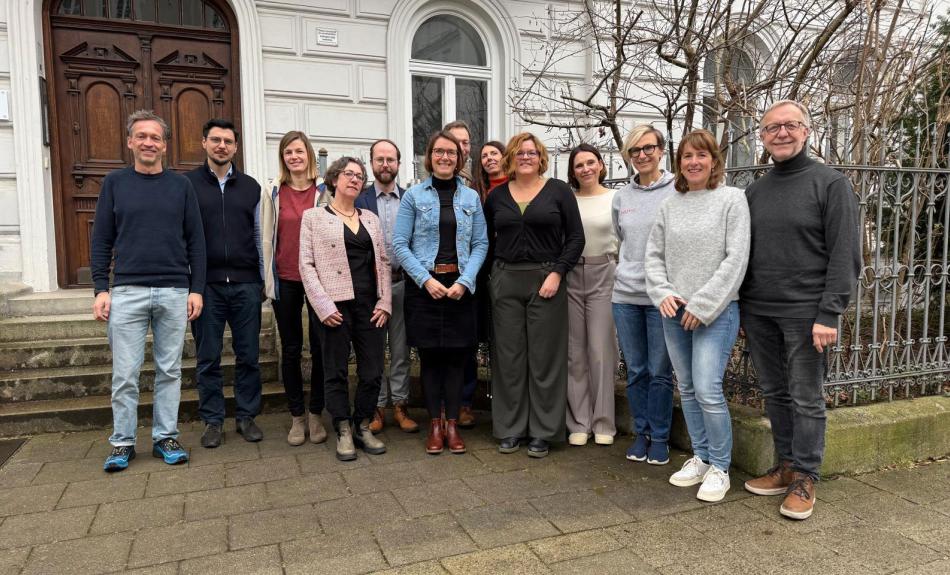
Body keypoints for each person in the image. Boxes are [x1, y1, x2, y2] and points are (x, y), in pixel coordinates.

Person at [740, 100, 861, 520]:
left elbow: (846, 254)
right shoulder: (755, 190)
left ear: (806, 132)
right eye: (772, 128)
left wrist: (830, 313)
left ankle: (806, 477)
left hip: (807, 314)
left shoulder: (830, 184)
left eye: (790, 125)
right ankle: (786, 463)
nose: (782, 133)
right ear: (762, 137)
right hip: (759, 310)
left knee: (806, 397)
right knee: (774, 392)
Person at [92, 110, 206, 472]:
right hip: (127, 290)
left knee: (170, 371)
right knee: (125, 374)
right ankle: (123, 442)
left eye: (155, 137)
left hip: (174, 290)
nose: (148, 143)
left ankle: (165, 437)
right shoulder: (114, 183)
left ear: (164, 145)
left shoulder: (181, 186)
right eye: (141, 136)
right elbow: (101, 239)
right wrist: (100, 288)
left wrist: (196, 289)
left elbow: (196, 241)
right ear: (129, 142)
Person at [645, 129, 750, 502]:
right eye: (687, 156)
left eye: (701, 156)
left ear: (714, 160)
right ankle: (702, 457)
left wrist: (703, 306)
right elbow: (653, 256)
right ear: (679, 162)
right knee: (686, 388)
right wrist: (662, 293)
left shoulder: (732, 200)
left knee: (707, 388)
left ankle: (721, 467)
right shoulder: (670, 204)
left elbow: (735, 260)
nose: (693, 162)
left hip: (716, 313)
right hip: (673, 311)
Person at [485, 132, 585, 458]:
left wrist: (557, 272)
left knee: (545, 359)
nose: (525, 157)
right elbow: (486, 241)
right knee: (509, 360)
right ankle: (510, 429)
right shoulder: (497, 196)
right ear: (511, 158)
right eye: (520, 153)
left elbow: (575, 238)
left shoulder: (558, 191)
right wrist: (491, 281)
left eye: (531, 152)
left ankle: (543, 431)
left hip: (547, 280)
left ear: (540, 157)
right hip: (506, 279)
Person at [393, 130, 488, 455]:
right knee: (432, 359)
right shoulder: (413, 197)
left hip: (461, 289)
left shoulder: (471, 198)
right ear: (429, 157)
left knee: (457, 359)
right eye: (439, 152)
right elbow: (399, 244)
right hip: (426, 290)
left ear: (459, 158)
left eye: (451, 152)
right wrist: (425, 279)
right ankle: (435, 424)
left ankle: (452, 425)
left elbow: (480, 244)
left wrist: (465, 281)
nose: (445, 157)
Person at [299, 157, 392, 461]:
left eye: (359, 175)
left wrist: (385, 301)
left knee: (373, 369)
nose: (354, 179)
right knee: (335, 370)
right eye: (348, 174)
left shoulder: (371, 219)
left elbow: (384, 263)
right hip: (334, 306)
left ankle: (362, 423)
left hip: (370, 305)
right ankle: (342, 428)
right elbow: (307, 265)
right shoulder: (313, 217)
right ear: (334, 179)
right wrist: (322, 305)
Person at [185, 119, 264, 448]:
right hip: (207, 288)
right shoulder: (186, 185)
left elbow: (260, 237)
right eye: (215, 140)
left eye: (228, 141)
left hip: (246, 285)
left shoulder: (251, 187)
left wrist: (262, 281)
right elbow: (181, 238)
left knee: (248, 356)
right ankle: (213, 420)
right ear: (204, 142)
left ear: (235, 147)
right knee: (209, 358)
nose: (221, 146)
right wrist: (190, 286)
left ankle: (246, 416)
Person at [261, 131, 331, 446]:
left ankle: (316, 413)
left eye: (299, 151)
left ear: (309, 155)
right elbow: (264, 236)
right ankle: (296, 416)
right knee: (290, 350)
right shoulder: (273, 191)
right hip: (286, 277)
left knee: (319, 347)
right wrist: (267, 279)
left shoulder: (324, 191)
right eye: (288, 152)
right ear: (283, 157)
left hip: (318, 281)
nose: (294, 157)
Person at [612, 125, 676, 465]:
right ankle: (642, 433)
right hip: (625, 296)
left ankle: (661, 437)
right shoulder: (622, 197)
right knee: (636, 370)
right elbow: (620, 240)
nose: (641, 155)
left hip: (662, 298)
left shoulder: (678, 190)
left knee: (660, 370)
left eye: (648, 148)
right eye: (634, 150)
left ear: (661, 150)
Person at [357, 139, 419, 435]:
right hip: (370, 289)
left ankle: (401, 405)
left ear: (398, 163)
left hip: (402, 283)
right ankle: (376, 407)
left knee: (400, 349)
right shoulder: (359, 199)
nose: (385, 164)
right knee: (373, 351)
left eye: (390, 159)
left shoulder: (411, 198)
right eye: (379, 159)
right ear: (371, 163)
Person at [565, 144, 618, 447]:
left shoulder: (615, 198)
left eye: (590, 162)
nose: (585, 169)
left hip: (604, 274)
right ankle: (579, 422)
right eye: (578, 165)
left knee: (601, 350)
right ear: (572, 171)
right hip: (571, 274)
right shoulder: (567, 199)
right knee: (574, 352)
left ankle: (603, 423)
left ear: (600, 164)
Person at [460, 140, 508, 427]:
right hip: (475, 274)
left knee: (504, 341)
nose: (489, 158)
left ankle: (505, 402)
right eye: (485, 155)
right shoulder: (474, 192)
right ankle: (465, 402)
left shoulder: (516, 187)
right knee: (471, 340)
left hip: (506, 271)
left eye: (494, 153)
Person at [444, 120, 474, 187]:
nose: (460, 148)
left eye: (465, 143)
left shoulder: (478, 177)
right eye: (455, 142)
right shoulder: (430, 175)